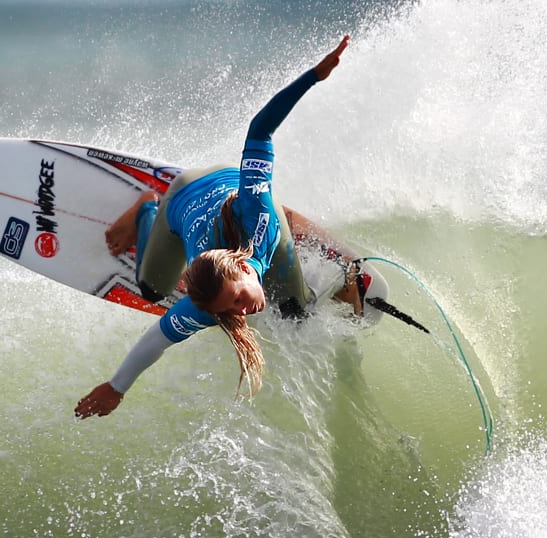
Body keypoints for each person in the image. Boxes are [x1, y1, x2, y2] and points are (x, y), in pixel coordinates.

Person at [75, 36, 353, 419]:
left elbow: (260, 130)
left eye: (237, 300)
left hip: (213, 190)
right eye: (234, 309)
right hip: (183, 209)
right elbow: (157, 339)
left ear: (240, 267)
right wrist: (115, 388)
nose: (246, 310)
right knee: (153, 290)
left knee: (295, 312)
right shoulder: (209, 304)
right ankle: (151, 212)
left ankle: (150, 208)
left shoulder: (255, 213)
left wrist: (314, 77)